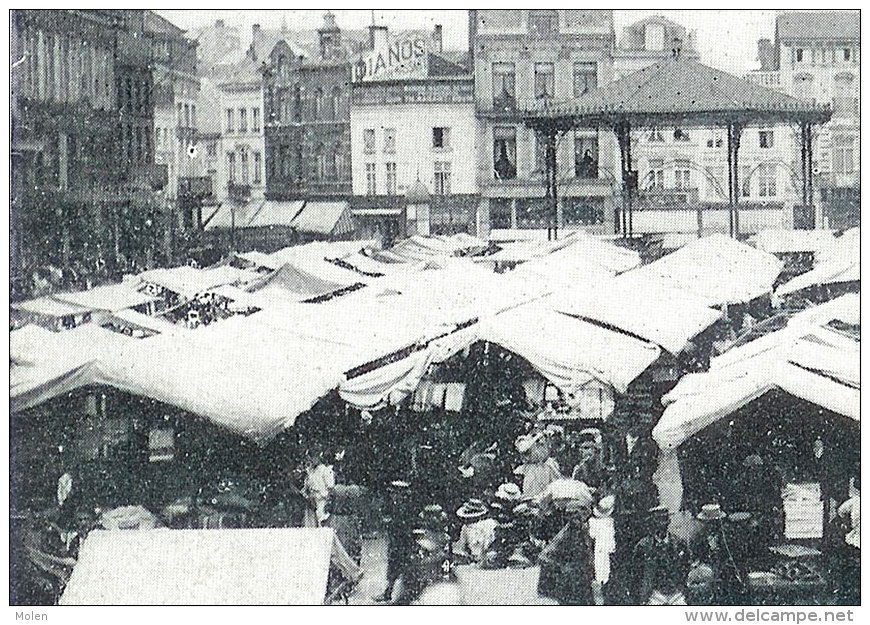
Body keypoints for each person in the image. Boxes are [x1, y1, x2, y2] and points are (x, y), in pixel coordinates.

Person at [537, 498, 596, 605]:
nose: (577, 518)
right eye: (573, 515)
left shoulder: (583, 530)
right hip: (571, 578)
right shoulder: (567, 533)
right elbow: (545, 556)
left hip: (579, 577)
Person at [632, 506, 690, 605]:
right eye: (658, 520)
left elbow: (686, 566)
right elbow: (637, 573)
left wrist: (682, 587)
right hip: (654, 593)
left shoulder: (679, 543)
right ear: (653, 523)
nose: (661, 524)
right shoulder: (643, 546)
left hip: (676, 593)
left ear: (669, 521)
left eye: (664, 520)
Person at [376, 479, 417, 603]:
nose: (393, 494)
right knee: (395, 568)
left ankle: (398, 594)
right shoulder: (395, 504)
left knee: (400, 567)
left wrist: (391, 523)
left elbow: (404, 524)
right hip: (396, 540)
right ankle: (389, 593)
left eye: (395, 492)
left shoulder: (405, 506)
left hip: (403, 541)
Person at [589, 495, 617, 605]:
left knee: (601, 572)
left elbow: (592, 535)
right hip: (609, 548)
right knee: (607, 571)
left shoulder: (593, 522)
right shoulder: (612, 522)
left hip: (600, 549)